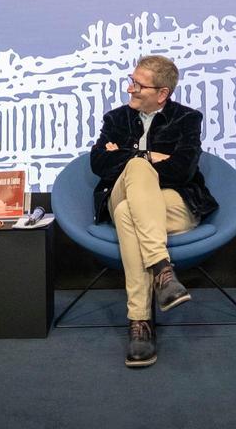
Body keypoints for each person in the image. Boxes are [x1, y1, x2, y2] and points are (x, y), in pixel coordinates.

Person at [89, 55, 217, 367]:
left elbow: (182, 171)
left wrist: (126, 154)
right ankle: (162, 270)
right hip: (120, 191)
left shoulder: (187, 119)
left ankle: (140, 322)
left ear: (162, 93)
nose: (130, 89)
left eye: (138, 85)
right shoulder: (115, 119)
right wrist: (148, 156)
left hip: (173, 202)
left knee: (125, 215)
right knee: (136, 168)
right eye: (131, 81)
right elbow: (98, 164)